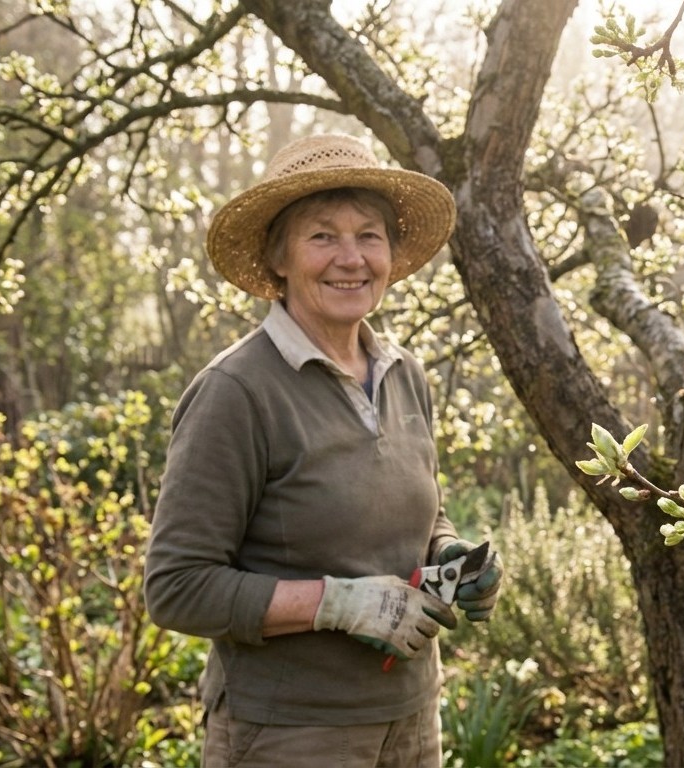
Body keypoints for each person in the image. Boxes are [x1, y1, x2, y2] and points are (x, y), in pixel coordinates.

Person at [143, 133, 503, 768]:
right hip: (289, 734)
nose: (351, 258)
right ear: (279, 257)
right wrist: (337, 604)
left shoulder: (403, 374)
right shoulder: (237, 392)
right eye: (322, 236)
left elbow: (421, 515)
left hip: (411, 717)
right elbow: (177, 587)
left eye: (369, 235)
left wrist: (450, 557)